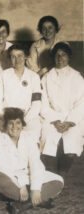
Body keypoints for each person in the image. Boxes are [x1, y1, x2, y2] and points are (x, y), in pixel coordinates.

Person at [0, 108, 63, 213]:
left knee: (58, 181)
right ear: (5, 125)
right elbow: (3, 168)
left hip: (28, 174)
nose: (14, 127)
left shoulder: (28, 138)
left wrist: (36, 188)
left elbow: (35, 163)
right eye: (10, 123)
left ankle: (24, 204)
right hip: (11, 178)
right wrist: (22, 185)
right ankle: (39, 200)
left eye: (18, 123)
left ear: (22, 124)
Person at [40, 42, 84, 178]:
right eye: (57, 55)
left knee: (72, 137)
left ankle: (63, 172)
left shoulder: (77, 77)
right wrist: (55, 120)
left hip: (73, 118)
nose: (60, 58)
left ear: (69, 57)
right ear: (53, 58)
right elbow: (43, 102)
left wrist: (70, 121)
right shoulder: (47, 77)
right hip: (52, 118)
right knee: (48, 136)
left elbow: (81, 102)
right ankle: (51, 174)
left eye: (63, 55)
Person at [0, 44, 42, 140]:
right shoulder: (3, 76)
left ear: (26, 57)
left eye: (20, 55)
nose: (17, 59)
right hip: (4, 117)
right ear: (10, 59)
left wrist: (23, 120)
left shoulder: (34, 77)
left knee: (31, 138)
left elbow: (37, 104)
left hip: (28, 117)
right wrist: (9, 120)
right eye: (13, 56)